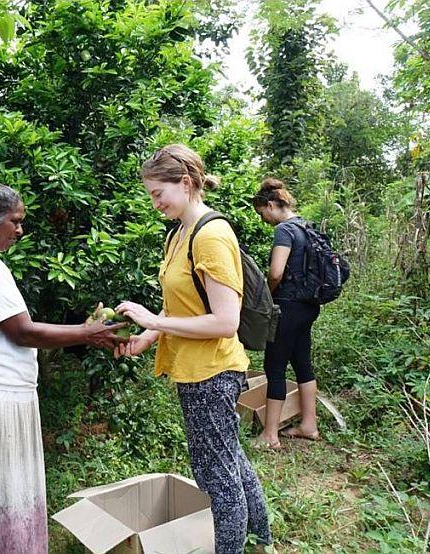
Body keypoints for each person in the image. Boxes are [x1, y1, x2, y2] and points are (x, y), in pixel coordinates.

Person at [0, 183, 125, 553]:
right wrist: (86, 334)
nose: (20, 230)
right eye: (16, 221)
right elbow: (23, 332)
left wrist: (82, 330)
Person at [114, 144, 272, 553]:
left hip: (213, 373)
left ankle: (233, 548)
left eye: (157, 194)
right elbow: (181, 300)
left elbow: (225, 321)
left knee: (215, 474)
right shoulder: (179, 232)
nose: (155, 204)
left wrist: (154, 321)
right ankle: (261, 539)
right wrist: (146, 337)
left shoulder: (211, 235)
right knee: (230, 459)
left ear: (185, 183)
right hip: (195, 369)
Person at [251, 177, 321, 448]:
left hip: (287, 307)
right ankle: (309, 425)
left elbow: (276, 272)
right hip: (309, 306)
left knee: (275, 366)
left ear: (270, 204)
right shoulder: (308, 226)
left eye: (262, 213)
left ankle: (269, 435)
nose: (263, 219)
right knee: (302, 362)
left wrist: (266, 294)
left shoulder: (284, 230)